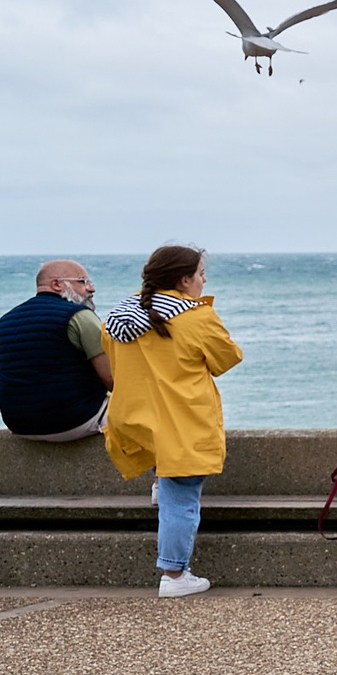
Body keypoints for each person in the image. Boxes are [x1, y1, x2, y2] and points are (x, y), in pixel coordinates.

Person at [101, 245, 242, 599]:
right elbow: (226, 359)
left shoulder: (117, 317)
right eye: (199, 275)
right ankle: (174, 574)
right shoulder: (195, 317)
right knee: (181, 499)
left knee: (168, 479)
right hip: (180, 421)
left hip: (134, 417)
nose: (204, 280)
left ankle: (157, 485)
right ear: (183, 280)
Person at [0, 260, 113, 441]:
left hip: (19, 426)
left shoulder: (5, 321)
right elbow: (112, 379)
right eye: (83, 282)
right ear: (57, 284)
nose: (91, 289)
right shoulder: (79, 316)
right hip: (75, 421)